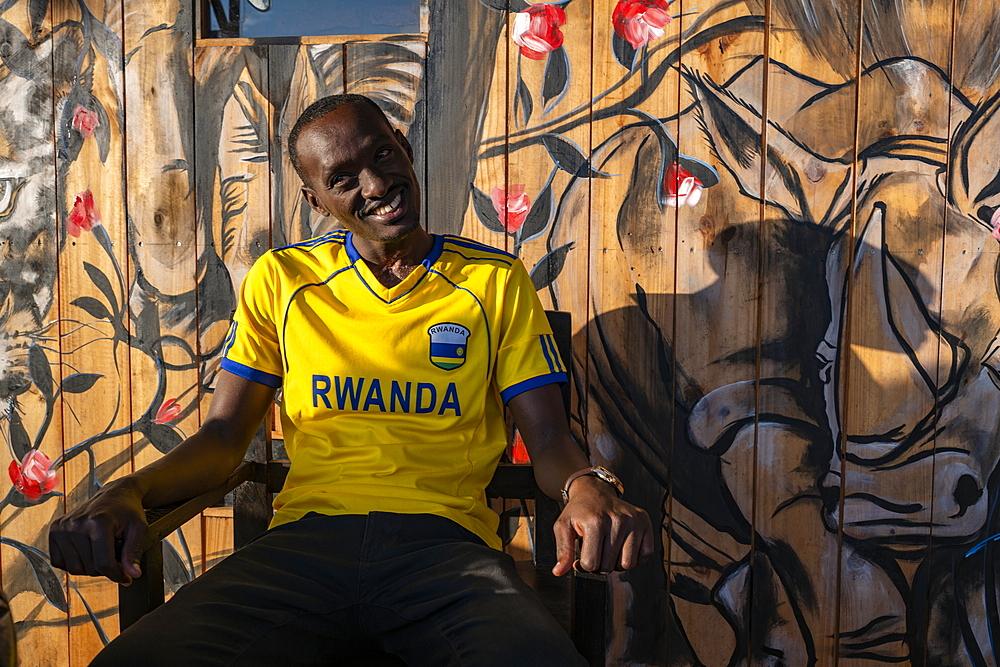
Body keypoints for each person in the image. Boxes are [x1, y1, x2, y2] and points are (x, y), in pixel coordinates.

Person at [49, 94, 653, 666]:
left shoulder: (493, 281)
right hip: (303, 548)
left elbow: (547, 439)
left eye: (383, 154)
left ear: (405, 150)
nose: (376, 184)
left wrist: (585, 484)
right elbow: (224, 437)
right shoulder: (284, 281)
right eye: (343, 178)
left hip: (445, 552)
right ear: (317, 200)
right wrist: (128, 491)